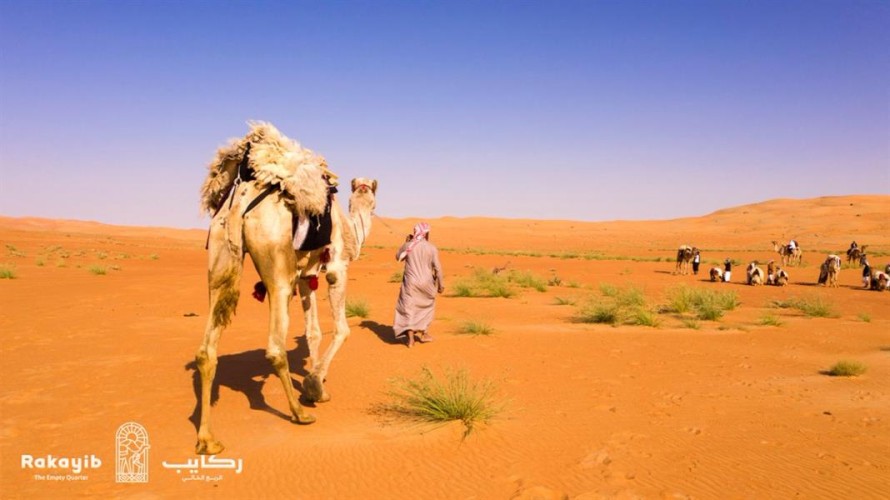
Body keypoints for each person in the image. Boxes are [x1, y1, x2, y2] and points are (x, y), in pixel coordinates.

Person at [393, 222, 444, 348]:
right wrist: (441, 285)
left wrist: (405, 242)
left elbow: (398, 257)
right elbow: (438, 268)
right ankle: (424, 332)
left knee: (408, 308)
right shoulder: (431, 248)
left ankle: (410, 340)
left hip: (411, 283)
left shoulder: (408, 245)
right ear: (426, 234)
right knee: (426, 307)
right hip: (427, 283)